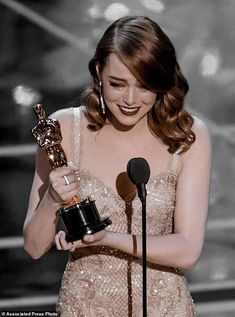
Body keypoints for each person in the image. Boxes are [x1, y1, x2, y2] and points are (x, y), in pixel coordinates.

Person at [23, 16, 212, 316]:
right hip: (85, 307)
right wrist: (51, 201)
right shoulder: (64, 130)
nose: (130, 99)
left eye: (144, 86)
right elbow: (33, 247)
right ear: (98, 72)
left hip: (163, 308)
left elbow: (188, 251)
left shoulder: (188, 135)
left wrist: (106, 238)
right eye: (117, 84)